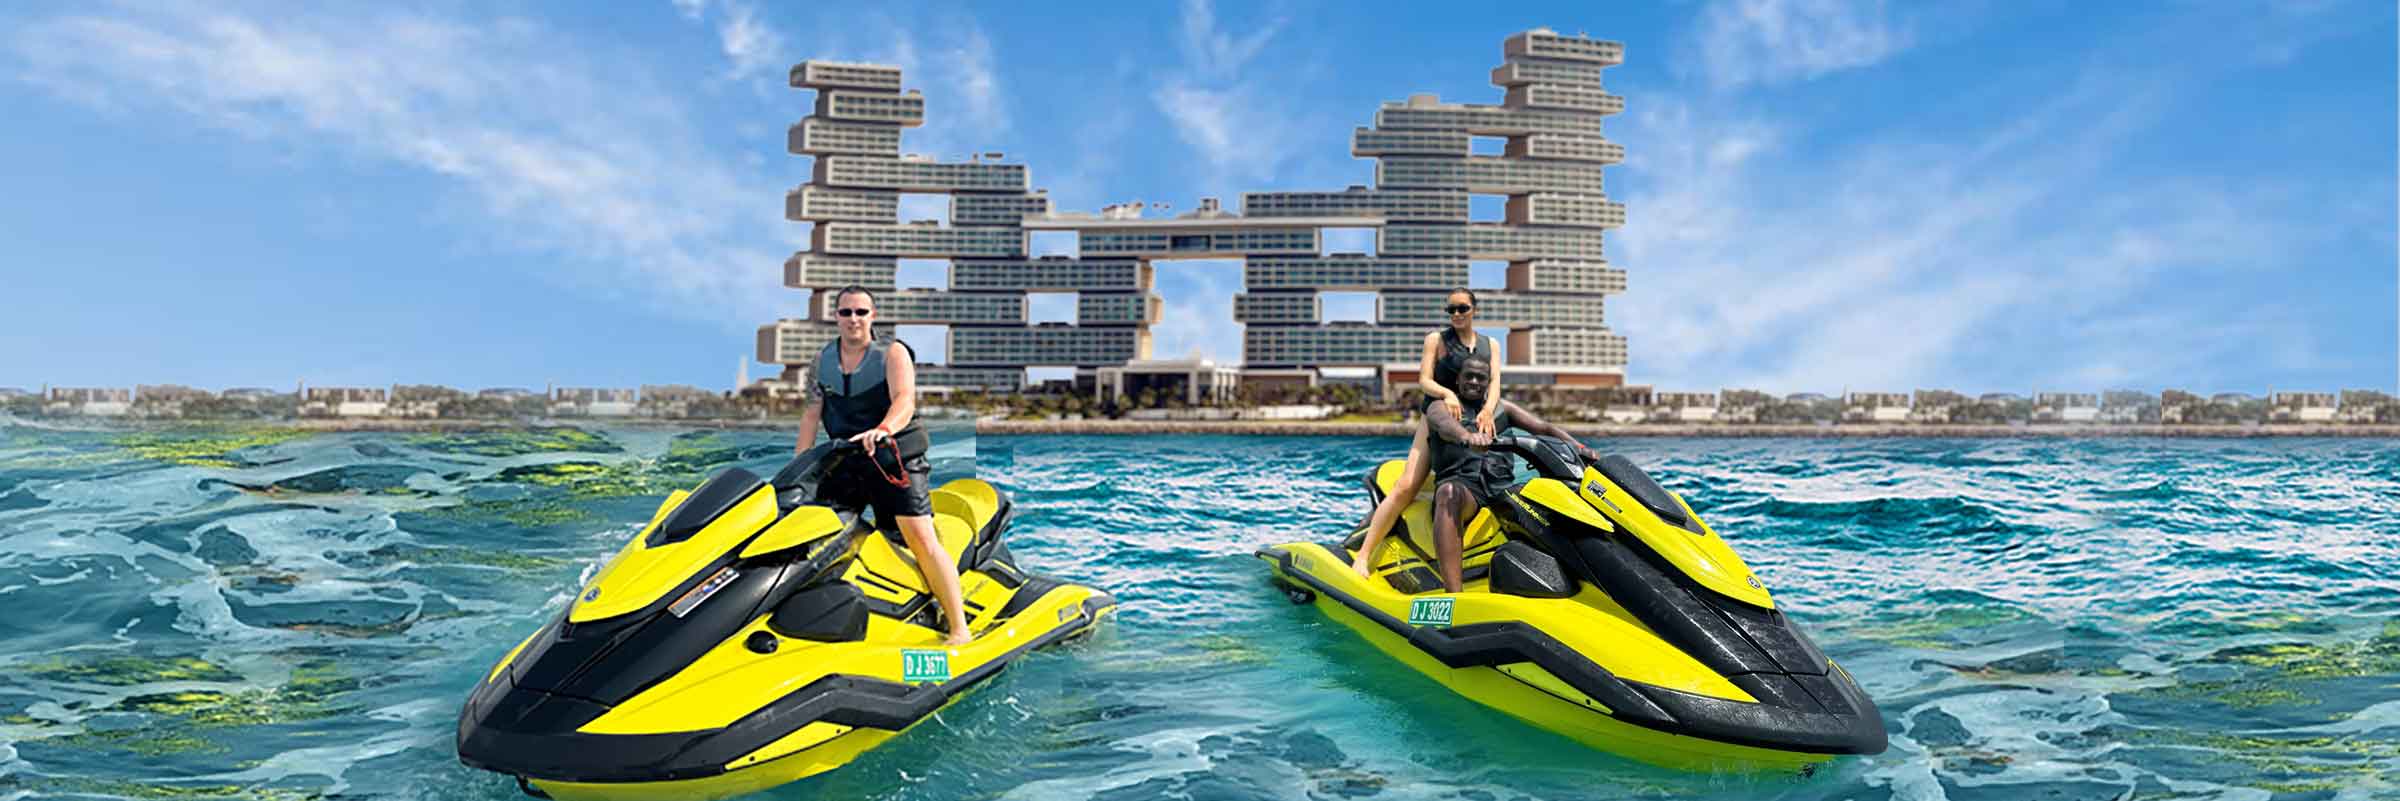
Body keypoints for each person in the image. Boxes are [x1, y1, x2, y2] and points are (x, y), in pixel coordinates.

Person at [794, 285, 973, 646]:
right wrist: (799, 465)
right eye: (846, 313)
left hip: (894, 457)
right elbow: (811, 414)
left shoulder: (892, 353)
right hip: (846, 460)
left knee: (919, 539)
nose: (853, 319)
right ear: (836, 318)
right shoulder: (822, 360)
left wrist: (883, 429)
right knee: (811, 531)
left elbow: (904, 400)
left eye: (861, 312)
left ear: (872, 316)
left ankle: (959, 627)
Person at [1351, 288, 1502, 578]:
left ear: (1474, 309)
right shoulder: (1436, 340)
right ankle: (1363, 555)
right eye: (1451, 310)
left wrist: (1488, 410)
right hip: (1436, 417)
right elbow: (1423, 380)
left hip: (1475, 419)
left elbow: (1495, 382)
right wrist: (1447, 394)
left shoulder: (1490, 344)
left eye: (1462, 309)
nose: (1456, 314)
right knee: (1407, 485)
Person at [1420, 357, 1598, 593]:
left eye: (1480, 377)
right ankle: (1453, 594)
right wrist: (1467, 436)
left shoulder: (1501, 409)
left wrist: (1581, 449)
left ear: (1489, 382)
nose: (1474, 381)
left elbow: (1543, 428)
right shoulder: (1441, 406)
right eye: (1468, 376)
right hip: (1465, 489)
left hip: (1500, 488)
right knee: (1448, 493)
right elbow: (1444, 425)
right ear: (1457, 379)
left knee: (1549, 500)